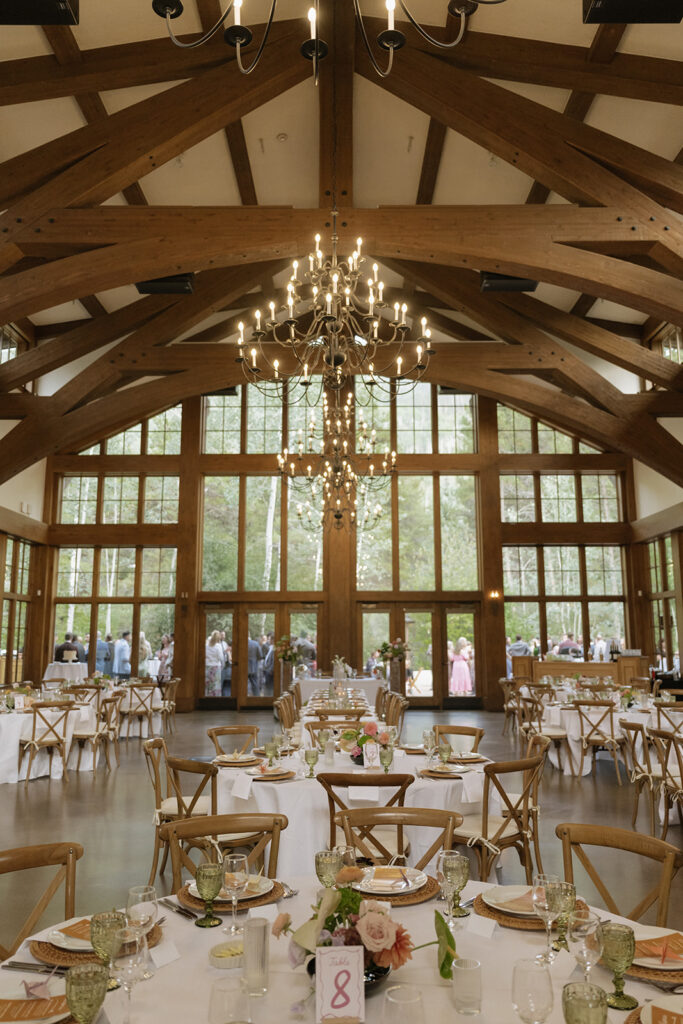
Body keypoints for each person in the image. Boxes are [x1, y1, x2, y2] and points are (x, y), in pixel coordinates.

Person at [205, 630, 224, 697]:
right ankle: (215, 698)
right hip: (215, 667)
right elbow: (221, 657)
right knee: (215, 685)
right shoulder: (218, 646)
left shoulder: (206, 645)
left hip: (207, 666)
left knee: (207, 684)